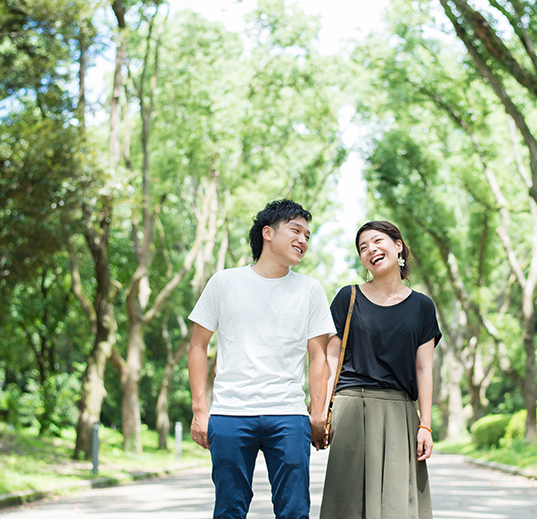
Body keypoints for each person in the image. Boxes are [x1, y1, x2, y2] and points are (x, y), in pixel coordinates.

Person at [187, 199, 335, 519]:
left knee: (295, 511)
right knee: (229, 510)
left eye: (308, 236)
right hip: (230, 413)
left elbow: (318, 356)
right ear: (268, 233)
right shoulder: (224, 282)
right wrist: (200, 410)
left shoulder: (310, 290)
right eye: (296, 231)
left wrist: (318, 413)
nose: (304, 241)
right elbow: (198, 346)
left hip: (288, 414)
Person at [320, 220, 441, 519]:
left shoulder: (422, 306)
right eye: (363, 248)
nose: (370, 250)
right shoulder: (347, 298)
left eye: (377, 241)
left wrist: (425, 424)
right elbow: (330, 357)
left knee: (398, 508)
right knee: (347, 506)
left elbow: (424, 368)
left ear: (398, 245)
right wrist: (321, 411)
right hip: (351, 410)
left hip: (400, 412)